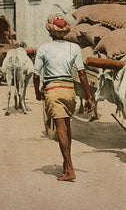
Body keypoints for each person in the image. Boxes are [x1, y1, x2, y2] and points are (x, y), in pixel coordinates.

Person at [33, 13, 93, 182]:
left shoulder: (44, 49)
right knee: (66, 128)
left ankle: (70, 168)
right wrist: (88, 97)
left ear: (50, 33)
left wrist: (38, 93)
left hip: (53, 90)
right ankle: (67, 165)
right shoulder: (74, 48)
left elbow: (36, 75)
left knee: (61, 131)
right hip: (69, 91)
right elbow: (81, 73)